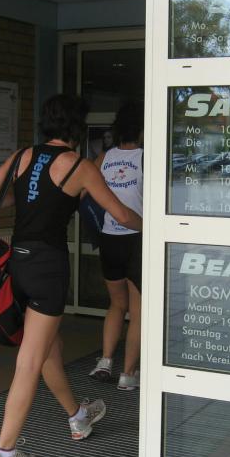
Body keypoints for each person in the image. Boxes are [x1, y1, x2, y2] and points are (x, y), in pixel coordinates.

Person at [0, 94, 142, 457]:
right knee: (30, 361)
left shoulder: (22, 156)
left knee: (50, 348)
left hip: (18, 263)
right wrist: (155, 229)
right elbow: (121, 214)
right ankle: (4, 454)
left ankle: (78, 416)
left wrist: (26, 197)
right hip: (48, 269)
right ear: (76, 127)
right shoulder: (79, 166)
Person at [87, 102, 144, 390]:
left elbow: (85, 191)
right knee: (138, 311)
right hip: (137, 237)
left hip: (110, 237)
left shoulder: (105, 157)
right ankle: (128, 374)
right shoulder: (146, 157)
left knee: (116, 305)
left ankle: (105, 361)